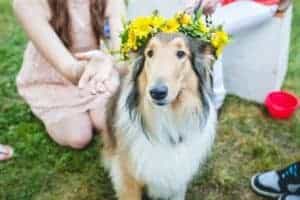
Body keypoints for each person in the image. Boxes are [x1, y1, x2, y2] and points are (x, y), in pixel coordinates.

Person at [13, 0, 124, 149]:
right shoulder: (28, 3)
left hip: (96, 69)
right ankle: (43, 108)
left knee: (105, 121)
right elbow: (68, 68)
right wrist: (88, 69)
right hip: (54, 77)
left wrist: (111, 62)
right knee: (78, 137)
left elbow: (121, 52)